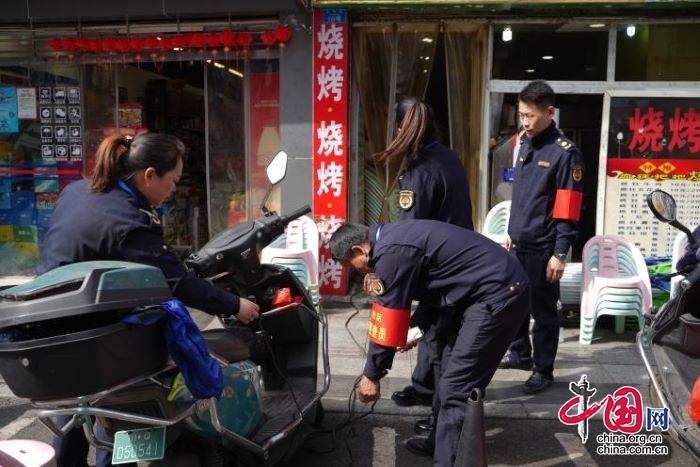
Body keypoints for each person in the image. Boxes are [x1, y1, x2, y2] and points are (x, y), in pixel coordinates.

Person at [37, 133, 260, 467]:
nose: (173, 190)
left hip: (47, 328)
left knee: (77, 407)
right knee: (168, 336)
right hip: (94, 339)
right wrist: (235, 305)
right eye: (173, 181)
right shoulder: (129, 221)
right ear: (150, 175)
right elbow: (178, 283)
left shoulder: (77, 191)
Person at [330, 220, 530, 466]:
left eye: (350, 266)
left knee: (456, 387)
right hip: (475, 294)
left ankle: (447, 461)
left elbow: (387, 315)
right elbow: (434, 285)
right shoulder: (392, 240)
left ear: (358, 251)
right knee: (444, 370)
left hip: (498, 293)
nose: (356, 272)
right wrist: (417, 327)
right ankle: (440, 443)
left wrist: (371, 375)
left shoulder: (390, 254)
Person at [375, 97, 474, 430]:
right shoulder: (448, 156)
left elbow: (408, 238)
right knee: (435, 338)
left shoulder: (421, 171)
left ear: (404, 128)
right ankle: (426, 392)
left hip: (445, 273)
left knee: (444, 347)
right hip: (459, 261)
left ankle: (441, 424)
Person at [498, 80, 585, 395]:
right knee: (514, 302)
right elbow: (520, 195)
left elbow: (568, 209)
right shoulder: (524, 144)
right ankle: (519, 354)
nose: (524, 122)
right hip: (517, 243)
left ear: (550, 112)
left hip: (543, 248)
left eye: (530, 116)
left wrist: (560, 253)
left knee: (544, 313)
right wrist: (510, 231)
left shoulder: (565, 154)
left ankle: (543, 369)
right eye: (521, 115)